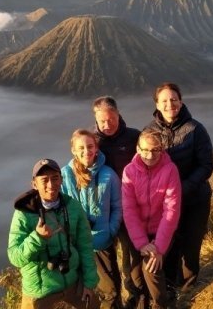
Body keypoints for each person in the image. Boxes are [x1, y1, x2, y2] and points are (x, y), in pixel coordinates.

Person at [144, 82, 213, 295]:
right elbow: (143, 163)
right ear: (157, 104)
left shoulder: (195, 129)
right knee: (169, 245)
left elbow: (206, 165)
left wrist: (183, 188)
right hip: (164, 204)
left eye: (173, 99)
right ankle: (171, 288)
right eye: (164, 100)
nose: (169, 104)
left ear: (181, 101)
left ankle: (188, 288)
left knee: (191, 244)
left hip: (194, 199)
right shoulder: (149, 131)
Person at [8, 158, 101, 309]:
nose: (51, 185)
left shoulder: (73, 207)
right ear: (34, 184)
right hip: (40, 289)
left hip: (71, 280)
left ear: (61, 180)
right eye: (44, 180)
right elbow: (15, 257)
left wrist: (89, 283)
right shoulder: (24, 213)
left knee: (93, 306)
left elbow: (85, 246)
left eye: (55, 178)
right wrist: (38, 238)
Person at [61, 129, 123, 309]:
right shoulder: (65, 175)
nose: (86, 151)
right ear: (73, 150)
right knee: (84, 294)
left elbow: (118, 206)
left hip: (101, 243)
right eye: (81, 147)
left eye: (90, 146)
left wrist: (110, 231)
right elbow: (60, 209)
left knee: (110, 291)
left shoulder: (108, 175)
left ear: (96, 148)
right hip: (76, 246)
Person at [122, 131, 181, 309]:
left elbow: (171, 210)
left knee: (151, 266)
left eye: (155, 150)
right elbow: (129, 210)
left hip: (161, 230)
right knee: (136, 276)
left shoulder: (170, 170)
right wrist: (141, 243)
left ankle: (162, 304)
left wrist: (158, 247)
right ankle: (143, 303)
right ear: (137, 149)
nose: (150, 155)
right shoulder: (129, 171)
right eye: (145, 150)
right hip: (137, 231)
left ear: (162, 150)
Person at [92, 96, 140, 305]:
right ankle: (112, 302)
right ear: (95, 119)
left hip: (130, 209)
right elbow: (76, 170)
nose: (107, 125)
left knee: (133, 257)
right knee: (105, 263)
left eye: (111, 119)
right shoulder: (92, 143)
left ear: (119, 115)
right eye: (102, 121)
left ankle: (136, 297)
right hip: (101, 212)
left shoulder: (134, 137)